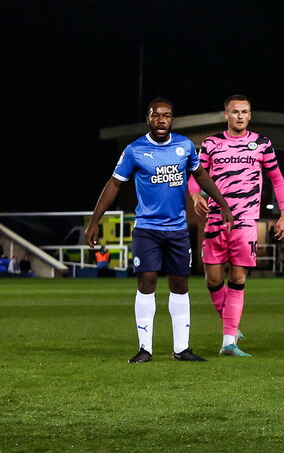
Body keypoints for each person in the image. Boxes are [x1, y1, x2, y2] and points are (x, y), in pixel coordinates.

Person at [85, 98, 234, 364]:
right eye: (156, 115)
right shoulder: (135, 150)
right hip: (148, 229)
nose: (161, 120)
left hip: (177, 229)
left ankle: (182, 349)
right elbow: (115, 185)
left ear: (172, 119)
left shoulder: (184, 146)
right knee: (148, 281)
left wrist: (222, 202)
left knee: (180, 283)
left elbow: (201, 176)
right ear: (148, 119)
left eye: (167, 115)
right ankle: (145, 349)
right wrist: (95, 220)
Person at [188, 94, 284, 357]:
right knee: (212, 279)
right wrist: (196, 195)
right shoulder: (211, 143)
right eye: (235, 112)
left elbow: (277, 180)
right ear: (226, 115)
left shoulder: (261, 144)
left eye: (245, 112)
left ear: (250, 115)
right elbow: (196, 174)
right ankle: (231, 327)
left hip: (246, 221)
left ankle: (228, 342)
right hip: (214, 218)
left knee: (237, 278)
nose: (240, 116)